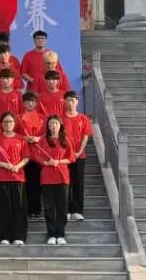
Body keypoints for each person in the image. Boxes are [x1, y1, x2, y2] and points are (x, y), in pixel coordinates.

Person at [0, 113, 29, 245]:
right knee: (4, 208)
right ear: (1, 124)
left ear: (14, 123)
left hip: (18, 177)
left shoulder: (21, 138)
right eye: (5, 122)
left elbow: (26, 157)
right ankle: (5, 236)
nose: (8, 124)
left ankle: (19, 236)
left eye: (10, 121)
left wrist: (18, 166)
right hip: (1, 178)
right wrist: (4, 165)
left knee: (19, 207)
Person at [36, 116, 74, 244]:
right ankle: (51, 234)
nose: (53, 126)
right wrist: (46, 162)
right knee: (49, 207)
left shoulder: (65, 140)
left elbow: (71, 158)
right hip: (47, 177)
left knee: (62, 207)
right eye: (51, 124)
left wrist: (59, 161)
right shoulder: (43, 140)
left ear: (60, 125)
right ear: (47, 126)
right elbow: (37, 155)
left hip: (62, 177)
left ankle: (61, 234)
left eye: (56, 123)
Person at [61, 91, 93, 221]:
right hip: (64, 157)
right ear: (64, 102)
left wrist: (79, 151)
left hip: (79, 156)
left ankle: (77, 210)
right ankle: (66, 210)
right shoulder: (60, 119)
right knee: (65, 183)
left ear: (77, 102)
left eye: (73, 100)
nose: (70, 103)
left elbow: (85, 136)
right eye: (68, 100)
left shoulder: (83, 118)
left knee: (78, 183)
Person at [18, 92, 46, 220]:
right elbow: (12, 133)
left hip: (39, 154)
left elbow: (47, 133)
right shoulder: (18, 117)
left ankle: (36, 209)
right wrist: (24, 138)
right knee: (25, 183)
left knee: (36, 183)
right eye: (27, 101)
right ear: (23, 103)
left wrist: (38, 138)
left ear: (36, 103)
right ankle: (26, 210)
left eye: (32, 101)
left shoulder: (42, 117)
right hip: (23, 154)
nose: (30, 104)